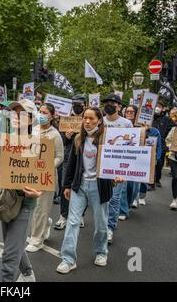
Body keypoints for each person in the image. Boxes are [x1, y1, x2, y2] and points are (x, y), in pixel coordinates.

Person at [57, 107, 124, 274]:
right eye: (85, 118)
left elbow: (118, 161)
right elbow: (71, 163)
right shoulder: (79, 138)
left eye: (91, 118)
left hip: (99, 187)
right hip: (79, 187)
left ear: (99, 120)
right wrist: (67, 185)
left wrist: (118, 175)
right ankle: (68, 259)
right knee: (72, 222)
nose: (87, 121)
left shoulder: (108, 139)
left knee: (101, 224)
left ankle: (101, 252)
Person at [0, 99, 42, 282]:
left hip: (25, 202)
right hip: (6, 200)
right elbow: (2, 168)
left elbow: (44, 173)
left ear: (31, 120)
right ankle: (28, 273)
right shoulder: (8, 139)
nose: (16, 117)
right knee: (11, 242)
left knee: (9, 255)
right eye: (14, 113)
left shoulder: (39, 143)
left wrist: (38, 191)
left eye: (21, 114)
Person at [25, 103, 64, 253]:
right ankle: (45, 222)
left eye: (45, 112)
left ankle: (37, 240)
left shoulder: (55, 135)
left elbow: (60, 157)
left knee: (41, 208)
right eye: (40, 111)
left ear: (52, 116)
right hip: (31, 174)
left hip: (46, 176)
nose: (41, 114)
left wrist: (48, 165)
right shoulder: (33, 130)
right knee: (34, 207)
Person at [102, 94, 132, 244]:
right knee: (102, 198)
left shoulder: (127, 124)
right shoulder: (99, 121)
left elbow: (132, 145)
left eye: (112, 103)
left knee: (114, 198)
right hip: (101, 165)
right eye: (106, 102)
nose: (109, 105)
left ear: (119, 106)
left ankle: (110, 227)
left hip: (119, 167)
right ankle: (102, 224)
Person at [55, 95, 86, 230]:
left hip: (84, 159)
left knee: (81, 188)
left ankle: (80, 216)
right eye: (74, 104)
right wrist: (67, 137)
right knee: (64, 187)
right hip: (68, 158)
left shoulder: (89, 119)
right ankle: (64, 215)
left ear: (85, 105)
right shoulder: (65, 120)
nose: (77, 106)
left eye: (79, 104)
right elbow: (61, 141)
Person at [153, 101, 175, 188]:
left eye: (159, 106)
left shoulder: (167, 119)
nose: (157, 108)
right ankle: (150, 180)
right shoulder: (150, 117)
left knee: (159, 163)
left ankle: (157, 179)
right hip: (149, 144)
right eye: (155, 106)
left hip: (161, 146)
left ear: (163, 108)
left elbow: (173, 130)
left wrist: (166, 143)